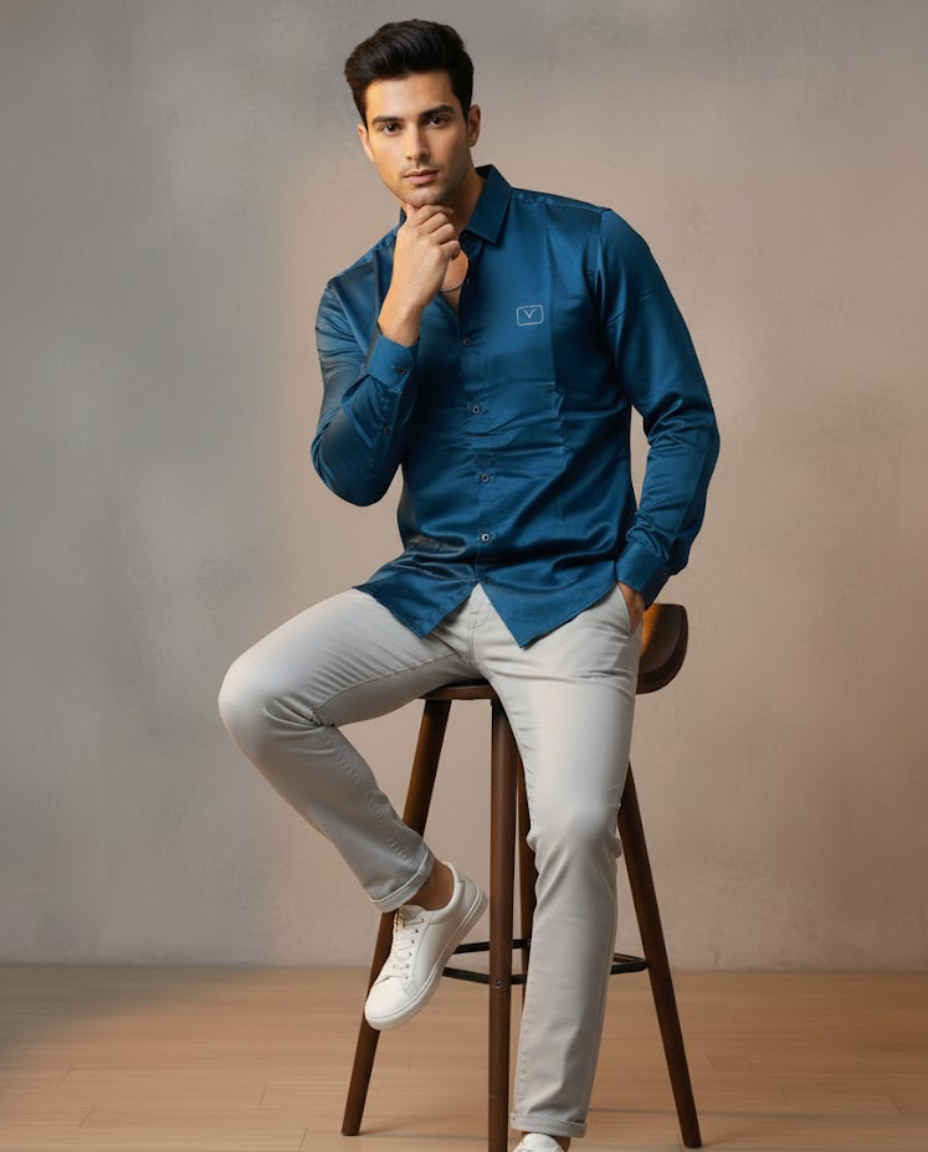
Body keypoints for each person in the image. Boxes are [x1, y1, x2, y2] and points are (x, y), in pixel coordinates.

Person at [218, 18, 720, 1152]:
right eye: (391, 127)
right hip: (428, 591)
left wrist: (636, 579)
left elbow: (684, 417)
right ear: (364, 142)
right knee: (255, 695)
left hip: (571, 595)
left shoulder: (589, 244)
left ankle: (545, 1129)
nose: (417, 147)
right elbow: (350, 476)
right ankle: (428, 894)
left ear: (472, 121)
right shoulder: (355, 296)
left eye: (435, 118)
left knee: (577, 823)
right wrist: (401, 317)